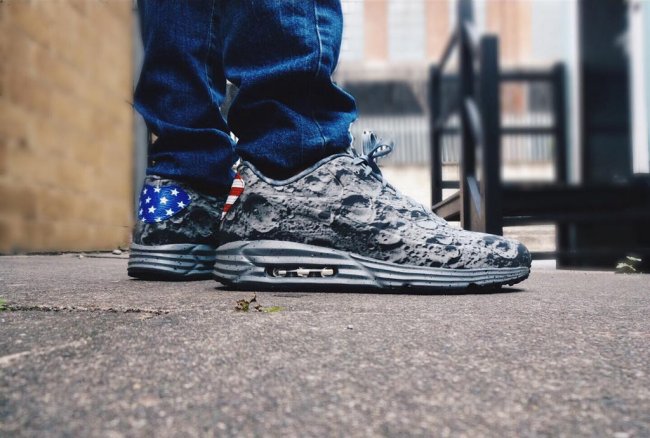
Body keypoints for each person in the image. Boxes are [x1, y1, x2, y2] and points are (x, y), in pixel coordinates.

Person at [128, 0, 531, 291]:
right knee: (295, 131)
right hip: (293, 154)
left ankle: (183, 193)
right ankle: (297, 160)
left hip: (174, 179)